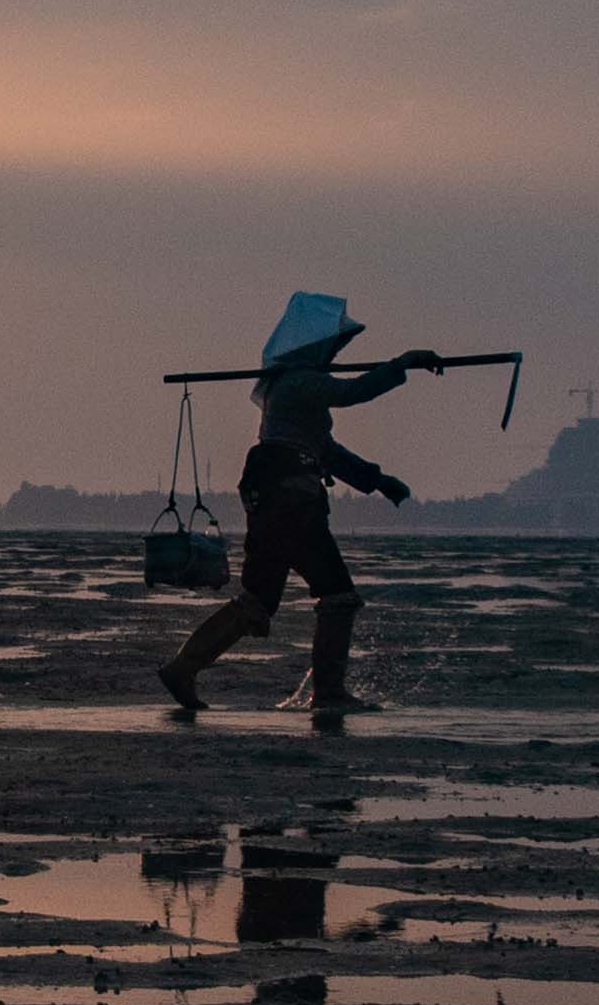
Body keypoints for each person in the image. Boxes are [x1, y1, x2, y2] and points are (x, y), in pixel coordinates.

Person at [157, 292, 442, 715]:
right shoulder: (297, 383)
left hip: (277, 496)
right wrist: (403, 364)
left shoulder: (290, 391)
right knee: (337, 595)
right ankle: (328, 693)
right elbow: (353, 392)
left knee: (258, 599)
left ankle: (184, 667)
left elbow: (325, 449)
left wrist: (378, 481)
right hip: (292, 500)